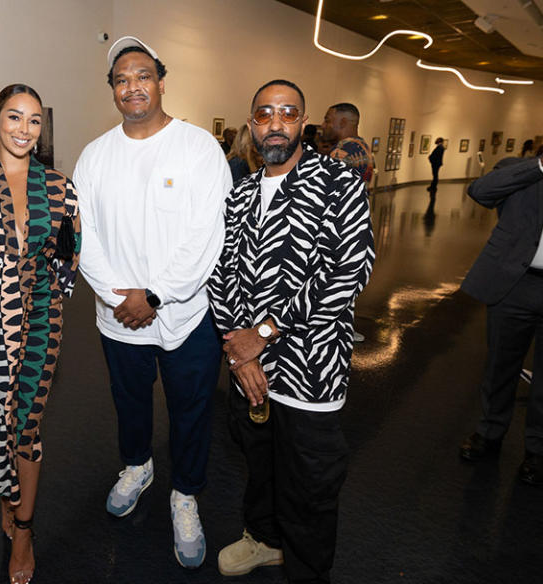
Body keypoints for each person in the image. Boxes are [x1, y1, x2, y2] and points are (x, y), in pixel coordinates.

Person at [74, 36, 230, 569]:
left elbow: (207, 234)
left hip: (186, 315)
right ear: (113, 90)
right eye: (121, 79)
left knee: (192, 409)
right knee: (130, 402)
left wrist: (157, 294)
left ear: (161, 82)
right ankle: (137, 467)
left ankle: (185, 493)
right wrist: (122, 298)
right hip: (119, 316)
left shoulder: (198, 148)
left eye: (142, 75)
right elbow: (83, 236)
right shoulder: (95, 155)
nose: (132, 86)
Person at [210, 79, 374, 583]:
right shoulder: (239, 194)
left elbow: (350, 270)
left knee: (308, 484)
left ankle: (306, 571)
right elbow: (221, 274)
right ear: (252, 124)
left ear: (304, 122)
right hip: (250, 369)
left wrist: (264, 331)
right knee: (258, 463)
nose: (276, 123)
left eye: (288, 113)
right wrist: (242, 352)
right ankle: (263, 540)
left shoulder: (338, 182)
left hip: (310, 368)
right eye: (265, 113)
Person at [0, 83, 81, 584]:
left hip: (38, 323)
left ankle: (23, 529)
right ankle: (6, 497)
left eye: (33, 120)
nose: (23, 129)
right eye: (13, 117)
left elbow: (69, 255)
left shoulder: (60, 187)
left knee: (25, 427)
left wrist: (45, 301)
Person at [458, 98, 543, 487]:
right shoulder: (521, 170)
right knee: (500, 369)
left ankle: (540, 450)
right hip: (516, 288)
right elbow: (481, 190)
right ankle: (489, 434)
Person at [320, 102, 375, 343]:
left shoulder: (343, 151)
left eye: (327, 119)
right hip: (354, 225)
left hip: (338, 228)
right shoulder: (362, 146)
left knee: (332, 280)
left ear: (342, 122)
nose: (323, 125)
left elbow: (323, 191)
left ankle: (332, 330)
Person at [321, 102, 374, 186]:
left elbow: (325, 189)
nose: (323, 125)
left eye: (327, 121)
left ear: (343, 122)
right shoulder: (364, 147)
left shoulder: (341, 151)